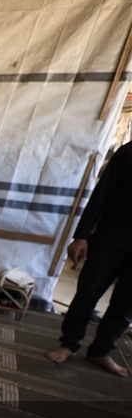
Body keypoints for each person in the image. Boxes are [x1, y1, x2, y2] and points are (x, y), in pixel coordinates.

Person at [46, 142, 132, 377]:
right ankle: (69, 344)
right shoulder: (128, 152)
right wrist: (81, 236)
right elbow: (101, 193)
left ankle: (101, 351)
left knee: (125, 306)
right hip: (111, 238)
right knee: (87, 294)